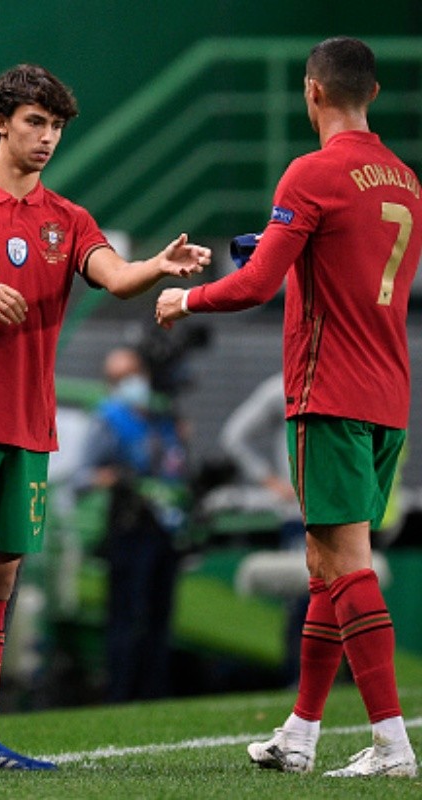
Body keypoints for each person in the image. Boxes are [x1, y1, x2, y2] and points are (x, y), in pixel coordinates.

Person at [0, 63, 211, 773]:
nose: (48, 138)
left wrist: (156, 265)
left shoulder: (67, 220)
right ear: (2, 122)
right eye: (36, 122)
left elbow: (116, 276)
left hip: (28, 429)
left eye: (58, 127)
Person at [157, 37, 421, 778]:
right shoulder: (405, 180)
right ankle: (300, 733)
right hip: (388, 395)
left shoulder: (312, 172)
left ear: (312, 92)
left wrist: (186, 298)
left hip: (327, 390)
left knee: (344, 563)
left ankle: (392, 744)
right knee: (323, 564)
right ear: (370, 93)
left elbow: (254, 287)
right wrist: (284, 243)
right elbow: (345, 267)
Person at [73, 346, 189, 702]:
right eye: (120, 378)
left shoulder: (162, 417)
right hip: (129, 526)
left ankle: (156, 691)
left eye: (133, 373)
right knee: (125, 615)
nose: (131, 383)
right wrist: (111, 477)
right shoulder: (108, 419)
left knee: (160, 614)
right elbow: (81, 477)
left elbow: (177, 468)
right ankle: (119, 693)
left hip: (165, 528)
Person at [219, 371, 307, 684]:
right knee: (305, 601)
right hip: (300, 513)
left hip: (339, 510)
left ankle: (342, 681)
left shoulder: (345, 376)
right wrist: (268, 478)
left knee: (342, 599)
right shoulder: (281, 387)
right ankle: (299, 680)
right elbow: (234, 436)